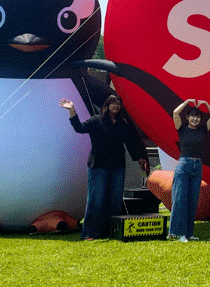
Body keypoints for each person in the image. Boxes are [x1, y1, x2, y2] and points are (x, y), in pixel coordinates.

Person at [59, 95, 150, 241]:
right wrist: (72, 111)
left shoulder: (123, 124)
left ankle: (111, 231)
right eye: (113, 103)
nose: (116, 105)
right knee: (96, 199)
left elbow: (130, 144)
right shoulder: (96, 120)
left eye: (119, 103)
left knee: (115, 201)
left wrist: (139, 158)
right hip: (98, 166)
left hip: (118, 167)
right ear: (106, 106)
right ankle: (90, 233)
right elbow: (79, 128)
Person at [169, 98, 210, 242]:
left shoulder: (203, 130)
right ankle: (178, 233)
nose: (195, 119)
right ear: (188, 117)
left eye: (197, 117)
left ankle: (189, 233)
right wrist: (187, 102)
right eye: (192, 116)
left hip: (197, 166)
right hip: (184, 165)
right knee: (180, 199)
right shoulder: (182, 128)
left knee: (192, 200)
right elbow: (175, 113)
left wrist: (206, 104)